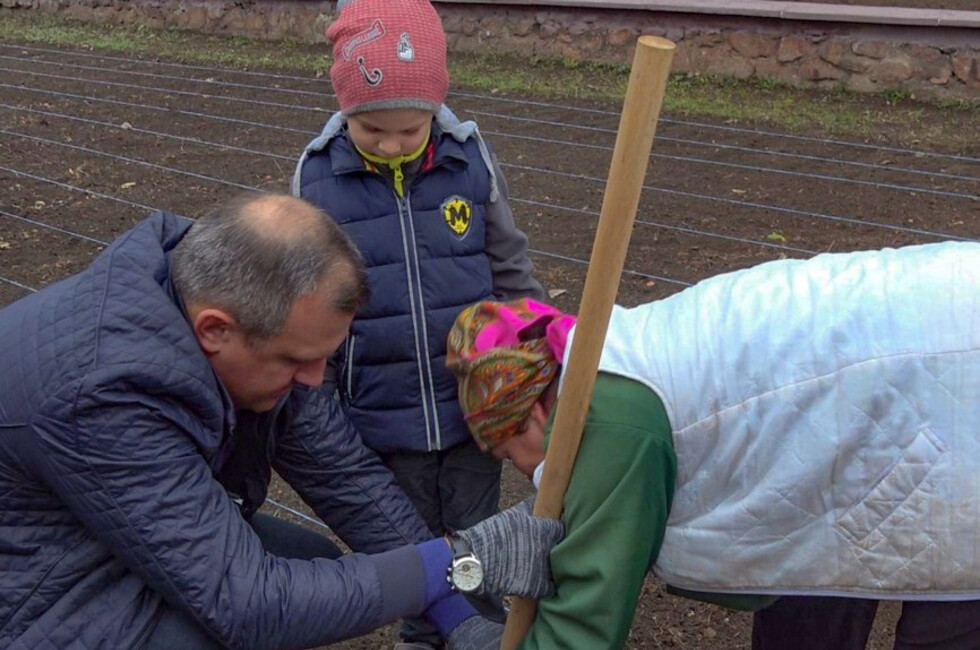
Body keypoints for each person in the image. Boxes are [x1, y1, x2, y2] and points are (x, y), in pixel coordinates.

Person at [0, 192, 563, 650]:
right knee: (263, 610)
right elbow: (248, 604)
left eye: (324, 357)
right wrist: (460, 561)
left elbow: (342, 474)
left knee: (310, 563)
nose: (315, 380)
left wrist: (457, 612)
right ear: (215, 329)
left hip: (91, 539)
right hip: (35, 600)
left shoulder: (226, 294)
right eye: (296, 360)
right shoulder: (104, 394)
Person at [446, 241, 980, 650]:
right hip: (895, 359)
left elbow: (586, 614)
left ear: (537, 409)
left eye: (507, 449)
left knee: (950, 585)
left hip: (948, 362)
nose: (517, 467)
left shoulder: (606, 418)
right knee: (818, 572)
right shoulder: (607, 353)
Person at [293, 1, 543, 647]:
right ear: (346, 109)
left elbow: (509, 267)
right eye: (373, 130)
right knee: (413, 559)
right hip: (382, 414)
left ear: (437, 107)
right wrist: (323, 401)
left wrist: (540, 346)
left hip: (470, 412)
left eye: (411, 129)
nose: (394, 144)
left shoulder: (469, 160)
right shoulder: (317, 179)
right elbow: (305, 300)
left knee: (479, 548)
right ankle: (422, 638)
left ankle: (482, 635)